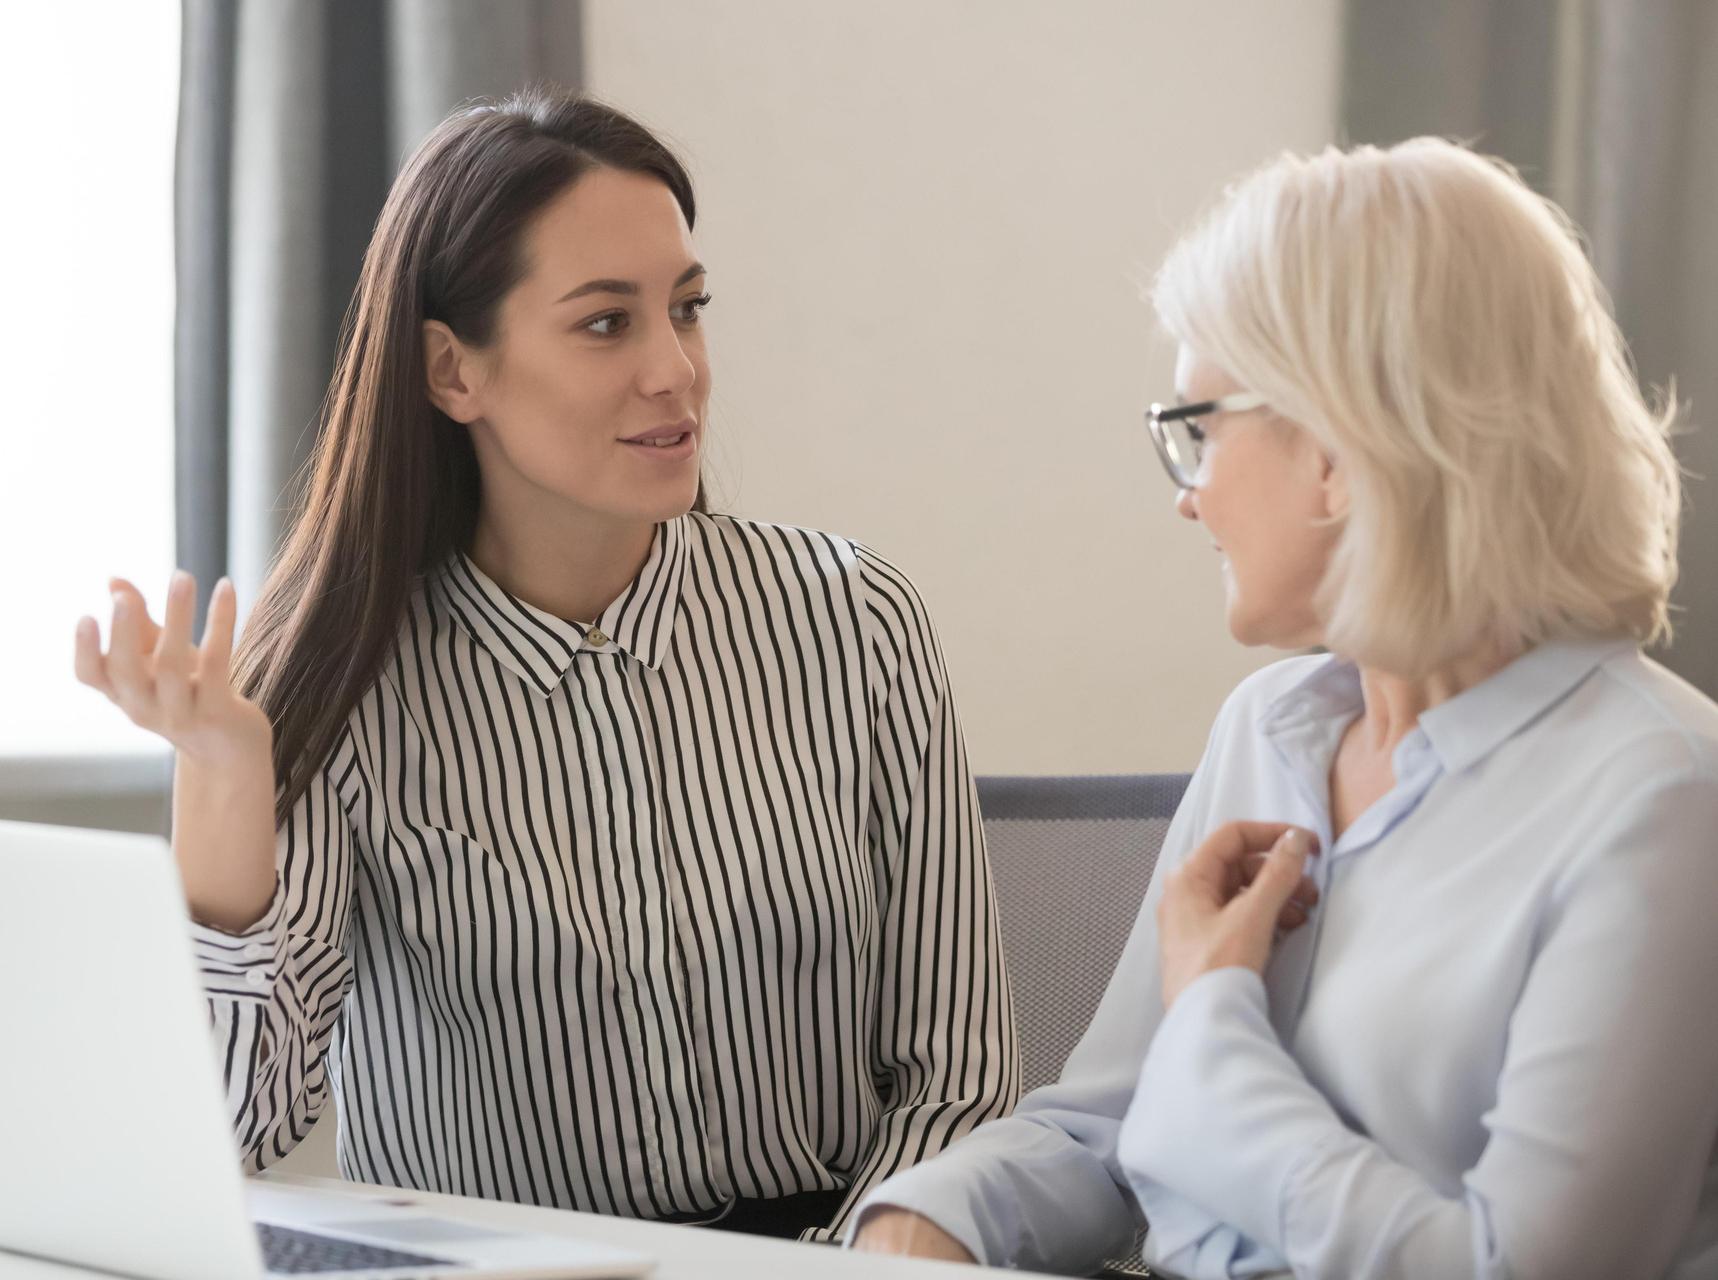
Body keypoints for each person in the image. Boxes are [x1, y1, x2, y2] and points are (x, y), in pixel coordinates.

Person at [73, 87, 1016, 1243]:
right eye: (606, 323)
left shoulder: (857, 622)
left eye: (688, 307)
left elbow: (958, 1083)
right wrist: (223, 776)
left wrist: (863, 1257)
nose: (676, 370)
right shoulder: (342, 684)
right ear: (450, 371)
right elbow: (225, 1135)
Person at [850, 137, 1718, 1278]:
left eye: (1199, 430)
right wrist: (922, 1219)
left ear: (1335, 448)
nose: (1189, 492)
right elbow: (1111, 1129)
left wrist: (1213, 1017)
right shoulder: (1268, 726)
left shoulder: (1661, 797)